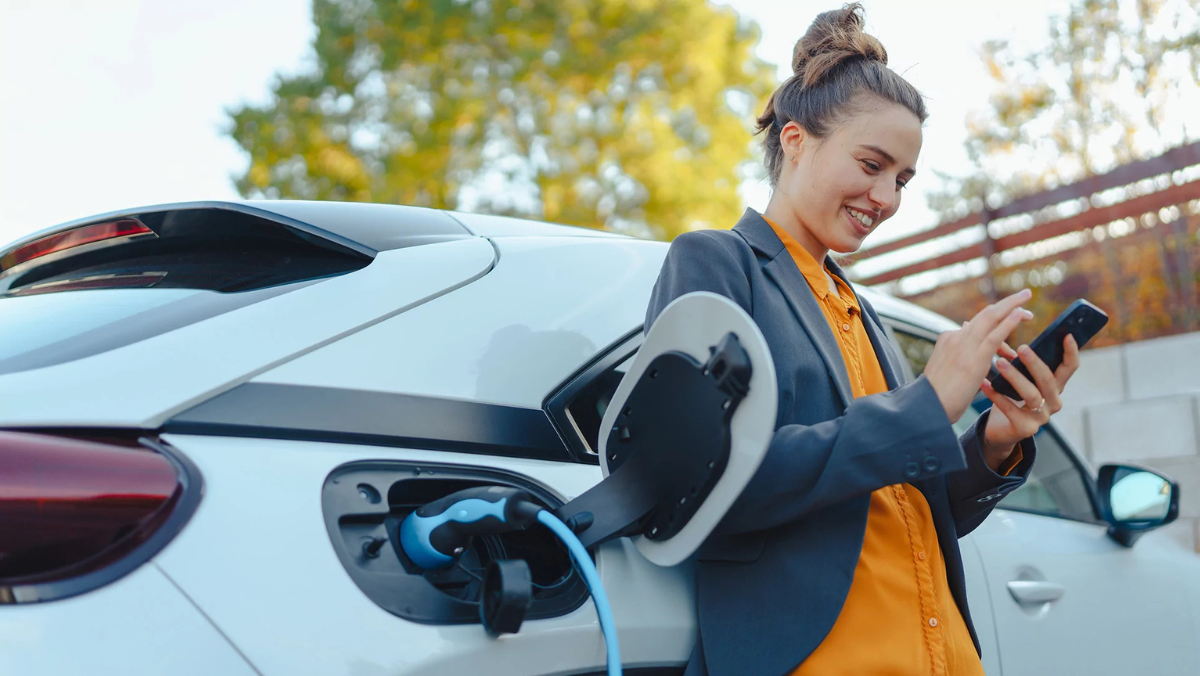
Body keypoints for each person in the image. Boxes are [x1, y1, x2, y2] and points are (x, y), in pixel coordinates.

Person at [645, 4, 1081, 675]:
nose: (887, 197)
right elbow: (706, 479)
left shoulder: (860, 308)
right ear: (795, 140)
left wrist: (996, 441)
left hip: (943, 655)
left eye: (902, 179)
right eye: (872, 164)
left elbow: (907, 508)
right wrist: (927, 405)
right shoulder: (716, 264)